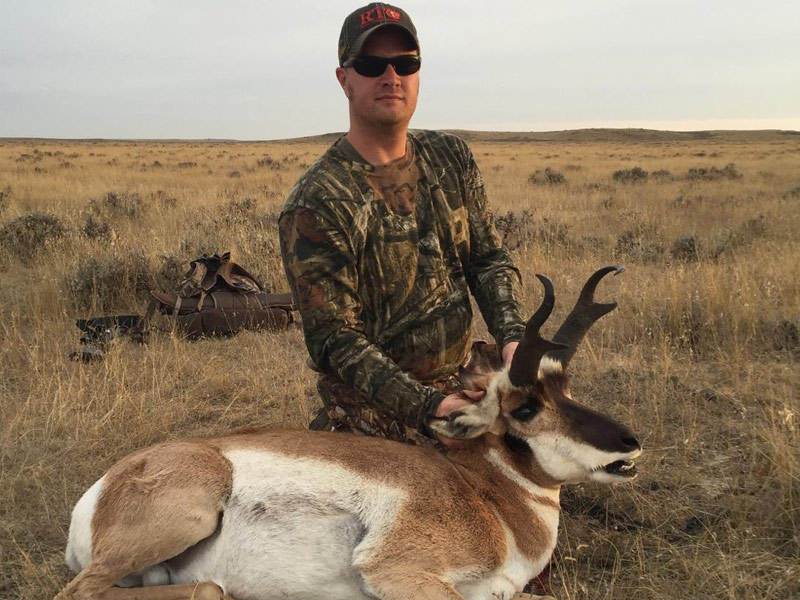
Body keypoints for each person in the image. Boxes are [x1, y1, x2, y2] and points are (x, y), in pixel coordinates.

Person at [279, 3, 526, 448]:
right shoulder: (316, 202)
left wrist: (513, 341)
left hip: (464, 375)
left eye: (405, 63)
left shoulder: (451, 157)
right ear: (344, 79)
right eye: (372, 65)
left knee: (558, 429)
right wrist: (429, 407)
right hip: (377, 406)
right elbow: (336, 341)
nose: (391, 76)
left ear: (417, 74)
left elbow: (488, 261)